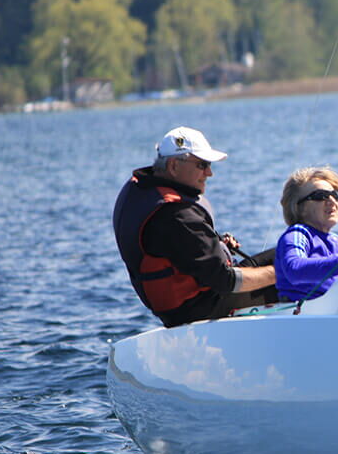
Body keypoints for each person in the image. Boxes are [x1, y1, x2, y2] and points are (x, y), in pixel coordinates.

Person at [113, 126, 277, 327]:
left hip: (180, 307)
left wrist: (217, 244)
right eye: (202, 165)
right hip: (199, 308)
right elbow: (225, 281)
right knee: (292, 267)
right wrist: (283, 273)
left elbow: (177, 246)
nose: (209, 173)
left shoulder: (141, 188)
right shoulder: (176, 215)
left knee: (286, 255)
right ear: (174, 166)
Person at [275, 167, 338, 303]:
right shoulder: (297, 234)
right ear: (299, 208)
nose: (332, 201)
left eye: (335, 195)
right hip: (302, 311)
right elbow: (294, 270)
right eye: (320, 196)